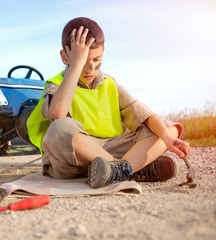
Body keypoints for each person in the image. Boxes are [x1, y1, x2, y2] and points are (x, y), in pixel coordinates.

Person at [27, 17, 190, 189]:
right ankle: (131, 168)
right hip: (75, 159)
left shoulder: (110, 84)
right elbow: (57, 114)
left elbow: (144, 115)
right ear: (65, 57)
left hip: (112, 148)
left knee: (167, 128)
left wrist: (167, 138)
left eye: (96, 60)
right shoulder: (57, 84)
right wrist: (76, 65)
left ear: (103, 51)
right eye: (83, 62)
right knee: (58, 129)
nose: (90, 69)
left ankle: (117, 171)